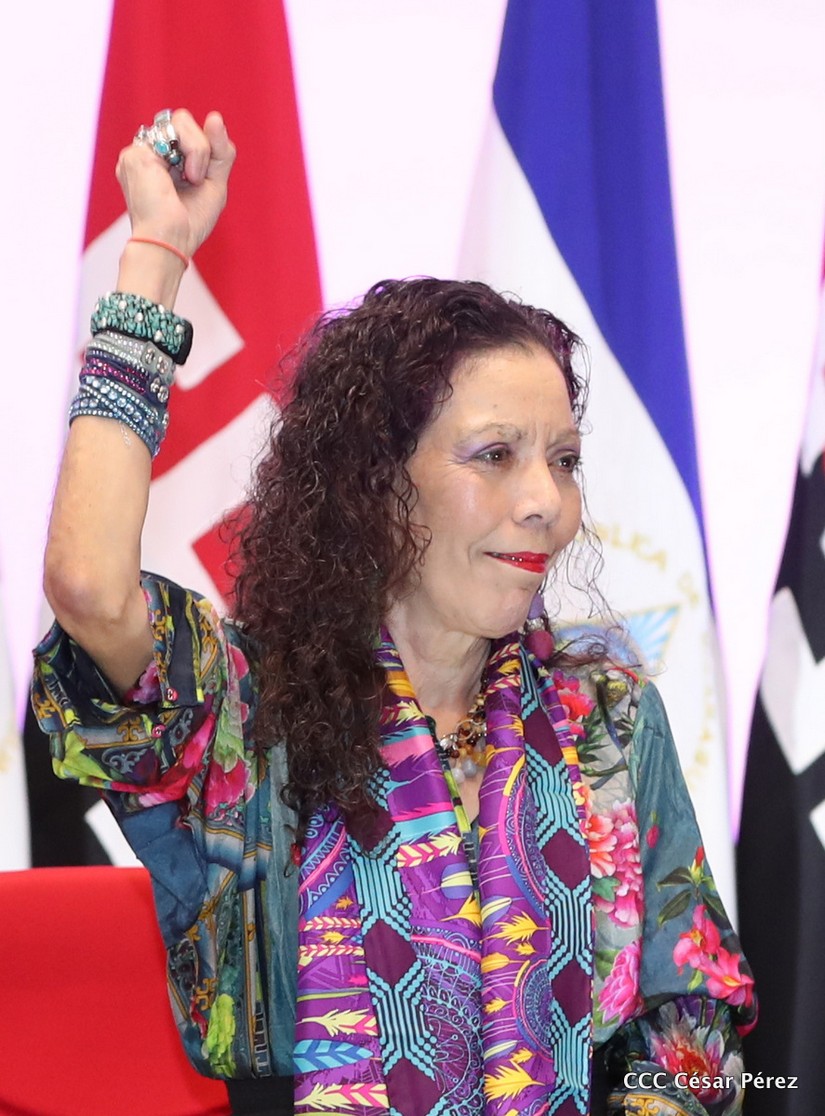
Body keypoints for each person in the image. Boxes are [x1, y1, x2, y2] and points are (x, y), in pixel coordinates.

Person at [32, 109, 755, 1116]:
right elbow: (89, 587)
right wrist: (155, 250)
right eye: (495, 455)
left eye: (563, 460)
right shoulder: (240, 711)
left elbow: (693, 1027)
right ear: (374, 484)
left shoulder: (607, 719)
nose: (544, 501)